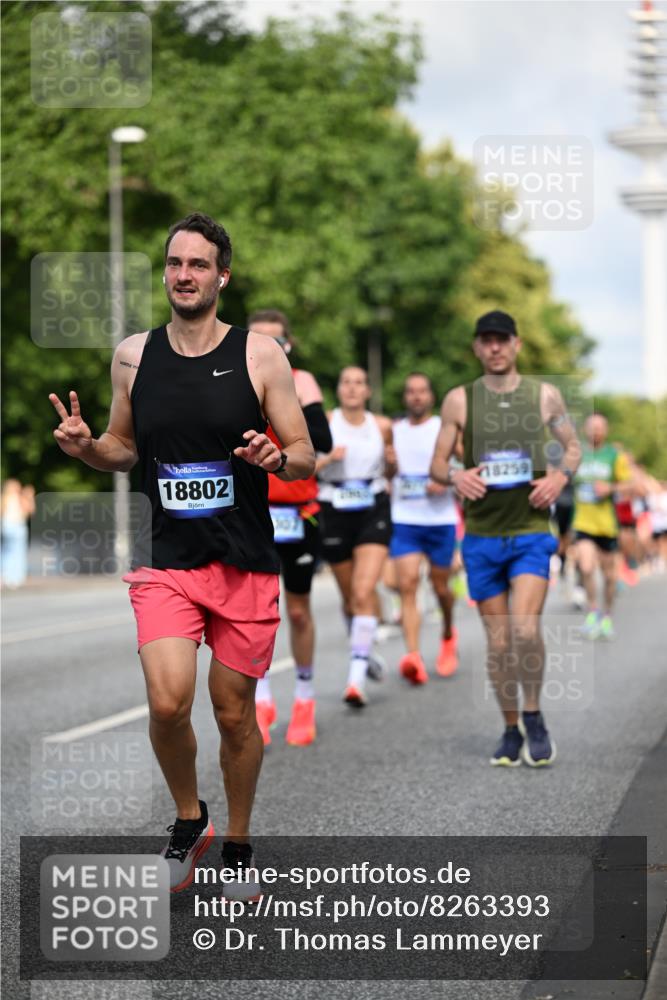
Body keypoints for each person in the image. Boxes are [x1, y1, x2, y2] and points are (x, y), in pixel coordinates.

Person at [49, 213, 315, 892]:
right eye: (174, 263)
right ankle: (188, 818)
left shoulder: (260, 356)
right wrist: (87, 448)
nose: (184, 275)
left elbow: (303, 455)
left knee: (232, 713)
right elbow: (123, 448)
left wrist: (274, 454)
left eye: (198, 264)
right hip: (165, 560)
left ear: (221, 275)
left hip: (244, 560)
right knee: (167, 703)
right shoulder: (133, 355)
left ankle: (239, 843)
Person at [430, 310, 580, 767]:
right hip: (481, 537)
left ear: (516, 345)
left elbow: (572, 447)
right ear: (477, 348)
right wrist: (457, 476)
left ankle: (534, 716)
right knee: (498, 642)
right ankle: (510, 727)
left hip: (531, 530)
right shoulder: (459, 400)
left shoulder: (544, 396)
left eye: (502, 340)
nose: (494, 347)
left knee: (524, 628)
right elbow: (437, 465)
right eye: (486, 340)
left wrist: (558, 478)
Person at [246, 309, 332, 747]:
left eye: (277, 343)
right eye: (260, 341)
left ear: (289, 347)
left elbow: (322, 441)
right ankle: (261, 699)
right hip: (252, 513)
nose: (270, 350)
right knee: (257, 613)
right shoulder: (232, 379)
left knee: (296, 610)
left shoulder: (303, 382)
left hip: (299, 514)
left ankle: (304, 696)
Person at [317, 366, 395, 707]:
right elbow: (305, 466)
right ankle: (365, 654)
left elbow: (391, 468)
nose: (352, 388)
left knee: (364, 591)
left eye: (359, 383)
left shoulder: (381, 425)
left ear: (367, 391)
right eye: (346, 382)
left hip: (372, 507)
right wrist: (329, 458)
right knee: (351, 599)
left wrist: (392, 464)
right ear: (338, 389)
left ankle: (355, 680)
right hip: (333, 507)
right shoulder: (326, 422)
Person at [390, 373, 460, 684]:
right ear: (405, 397)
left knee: (441, 588)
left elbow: (463, 466)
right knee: (407, 585)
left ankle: (447, 632)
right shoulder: (394, 431)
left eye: (422, 391)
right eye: (411, 391)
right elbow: (387, 469)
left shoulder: (442, 430)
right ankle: (414, 656)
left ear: (431, 397)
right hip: (405, 517)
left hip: (440, 519)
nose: (417, 397)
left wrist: (444, 478)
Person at [572, 415, 633, 640]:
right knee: (586, 567)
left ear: (606, 431)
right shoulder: (577, 455)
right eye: (592, 428)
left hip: (607, 524)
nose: (595, 432)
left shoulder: (614, 456)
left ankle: (606, 615)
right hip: (583, 522)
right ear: (585, 430)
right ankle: (592, 613)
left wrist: (610, 488)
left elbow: (629, 484)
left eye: (599, 428)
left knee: (609, 576)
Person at [1, 479, 35, 588]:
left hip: (10, 526)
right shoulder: (17, 498)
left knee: (7, 551)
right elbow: (30, 511)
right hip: (15, 526)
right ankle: (13, 578)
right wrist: (29, 497)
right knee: (17, 552)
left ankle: (8, 576)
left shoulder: (4, 499)